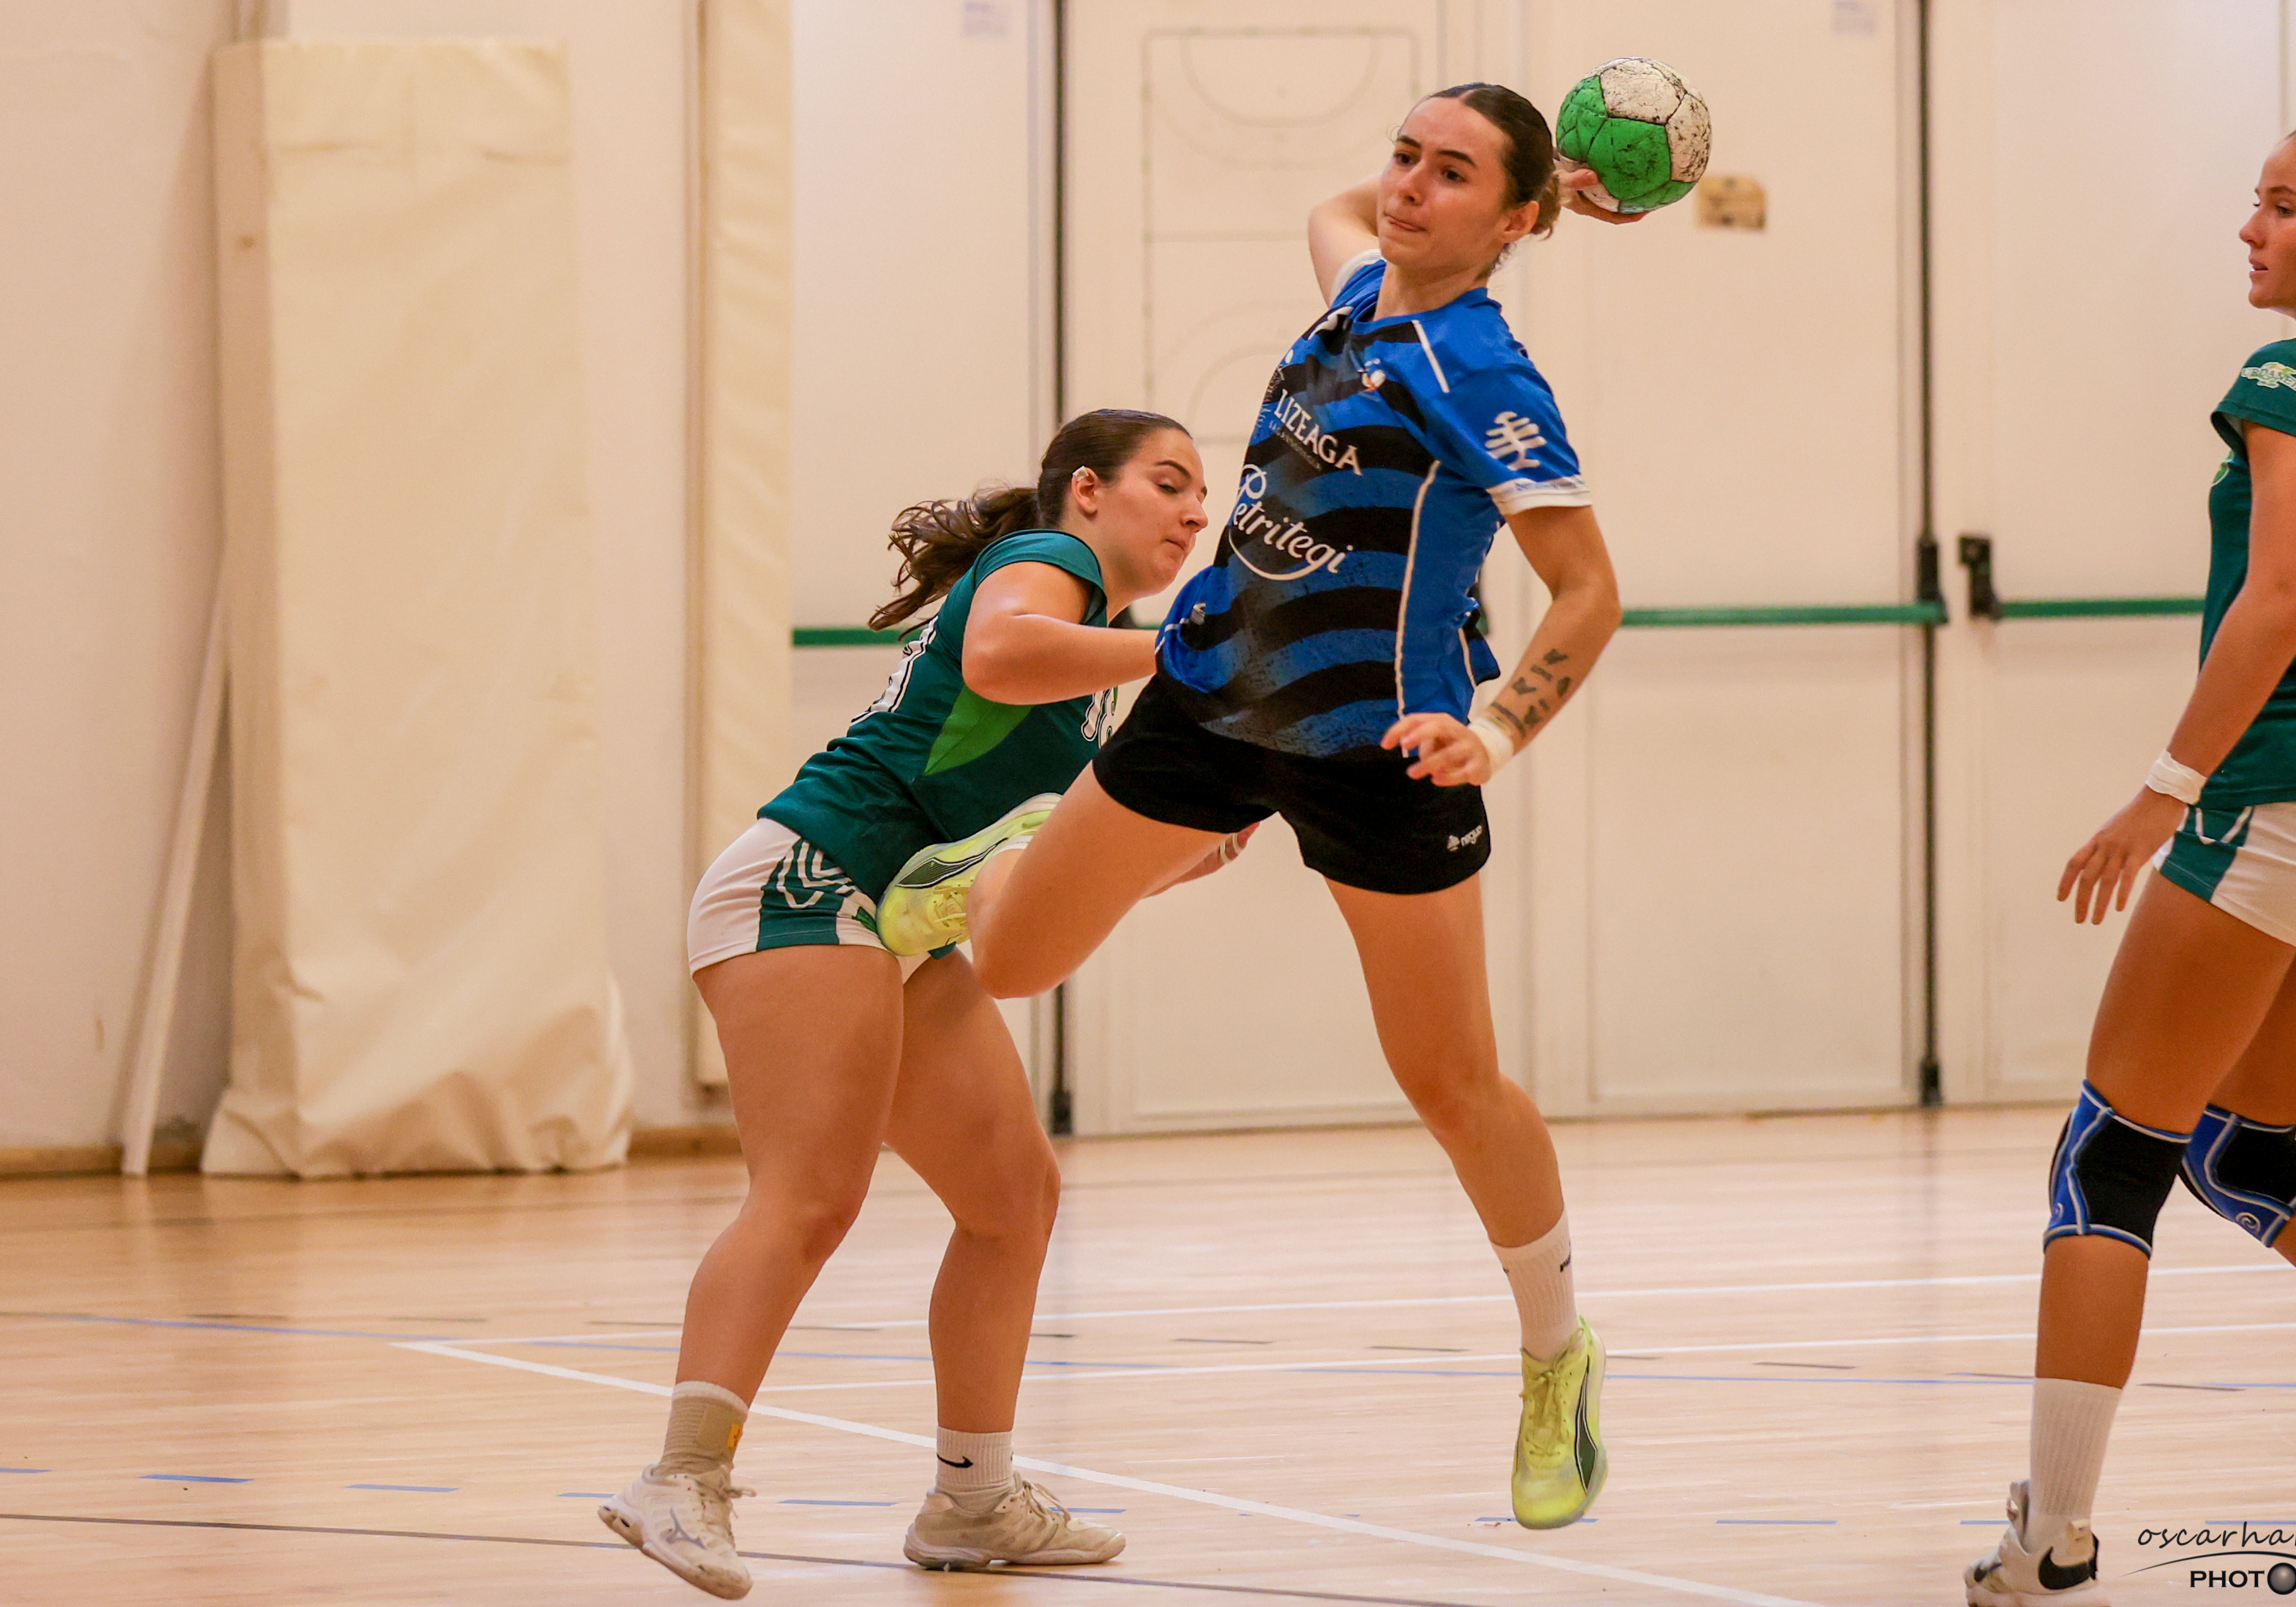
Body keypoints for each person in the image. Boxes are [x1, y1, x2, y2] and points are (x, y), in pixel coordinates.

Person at [876, 84, 1632, 1531]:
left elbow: (1589, 592)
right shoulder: (1356, 292)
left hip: (1381, 750)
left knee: (1450, 1084)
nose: (1406, 187)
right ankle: (1145, 839)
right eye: (1404, 156)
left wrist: (1494, 732)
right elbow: (1336, 211)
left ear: (1510, 216)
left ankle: (1557, 1352)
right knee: (1012, 960)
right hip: (1213, 696)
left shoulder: (1486, 375)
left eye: (1452, 174)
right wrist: (1536, 201)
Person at [601, 409, 1243, 1598]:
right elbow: (999, 656)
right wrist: (1184, 651)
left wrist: (1226, 820)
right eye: (1170, 482)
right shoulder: (1046, 565)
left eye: (1202, 494)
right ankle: (679, 1480)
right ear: (1086, 491)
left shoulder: (1094, 662)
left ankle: (972, 1500)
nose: (1196, 510)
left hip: (897, 924)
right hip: (812, 882)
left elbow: (1082, 870)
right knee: (810, 1196)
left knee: (1013, 1199)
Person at [1966, 114, 2296, 1606]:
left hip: (2282, 797)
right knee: (2243, 1143)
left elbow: (2282, 595)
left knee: (2113, 1157)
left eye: (2283, 205)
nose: (2250, 229)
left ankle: (2054, 1539)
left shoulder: (2294, 378)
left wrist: (2165, 791)